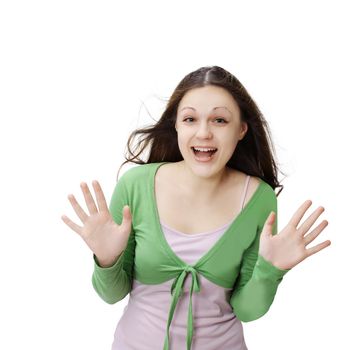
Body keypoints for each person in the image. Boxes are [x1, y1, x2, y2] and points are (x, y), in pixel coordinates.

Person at [61, 65, 331, 350]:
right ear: (176, 125)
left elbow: (248, 310)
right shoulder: (135, 186)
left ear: (241, 130)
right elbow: (111, 294)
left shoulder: (259, 199)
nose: (204, 132)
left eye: (219, 120)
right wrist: (106, 259)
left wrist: (270, 270)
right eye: (190, 119)